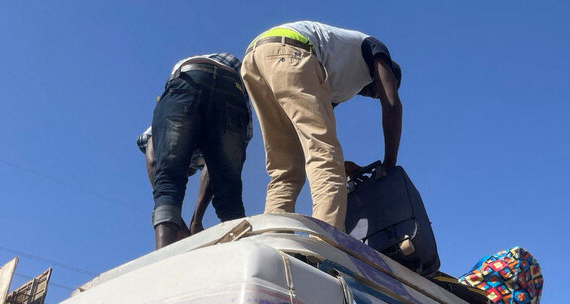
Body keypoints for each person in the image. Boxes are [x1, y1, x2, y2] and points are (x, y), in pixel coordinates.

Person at [241, 21, 402, 230]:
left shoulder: (341, 84)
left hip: (255, 59)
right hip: (292, 52)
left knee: (286, 168)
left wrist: (345, 166)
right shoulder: (374, 47)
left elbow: (308, 137)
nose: (376, 95)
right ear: (388, 73)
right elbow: (392, 104)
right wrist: (389, 164)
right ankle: (326, 242)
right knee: (325, 155)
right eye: (381, 87)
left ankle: (273, 235)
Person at [150, 53, 252, 249]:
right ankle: (239, 257)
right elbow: (216, 169)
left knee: (168, 181)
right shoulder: (204, 151)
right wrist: (193, 222)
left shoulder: (160, 131)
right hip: (233, 88)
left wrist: (184, 222)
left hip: (189, 80)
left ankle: (163, 260)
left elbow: (154, 160)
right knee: (229, 194)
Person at [137, 127, 211, 238]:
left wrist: (196, 221)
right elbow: (152, 162)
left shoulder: (203, 153)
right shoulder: (152, 138)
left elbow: (214, 172)